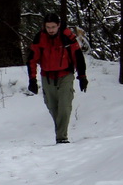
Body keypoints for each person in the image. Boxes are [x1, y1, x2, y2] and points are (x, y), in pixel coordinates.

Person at [26, 13, 88, 144]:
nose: (51, 30)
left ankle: (61, 138)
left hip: (65, 75)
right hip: (47, 77)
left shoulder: (67, 36)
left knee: (64, 106)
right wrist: (32, 79)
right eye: (48, 27)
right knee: (52, 107)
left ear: (58, 25)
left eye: (53, 27)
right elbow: (32, 59)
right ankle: (61, 133)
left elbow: (78, 56)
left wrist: (82, 76)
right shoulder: (40, 38)